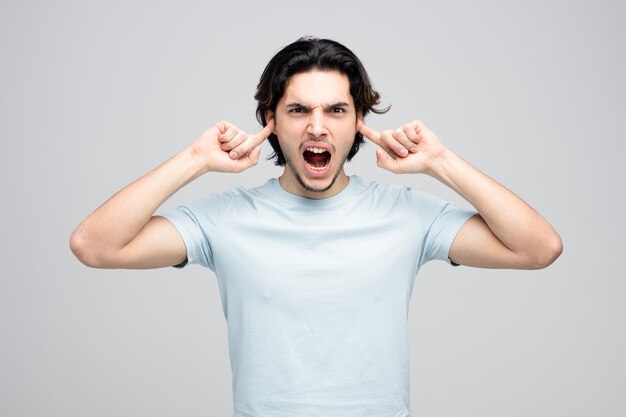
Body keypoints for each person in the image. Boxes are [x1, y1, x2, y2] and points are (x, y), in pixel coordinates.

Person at [70, 37, 562, 417]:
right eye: (299, 109)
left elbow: (540, 248)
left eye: (336, 110)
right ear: (272, 121)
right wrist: (195, 160)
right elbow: (93, 245)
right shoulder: (223, 218)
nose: (318, 127)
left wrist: (441, 163)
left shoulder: (408, 213)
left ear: (359, 122)